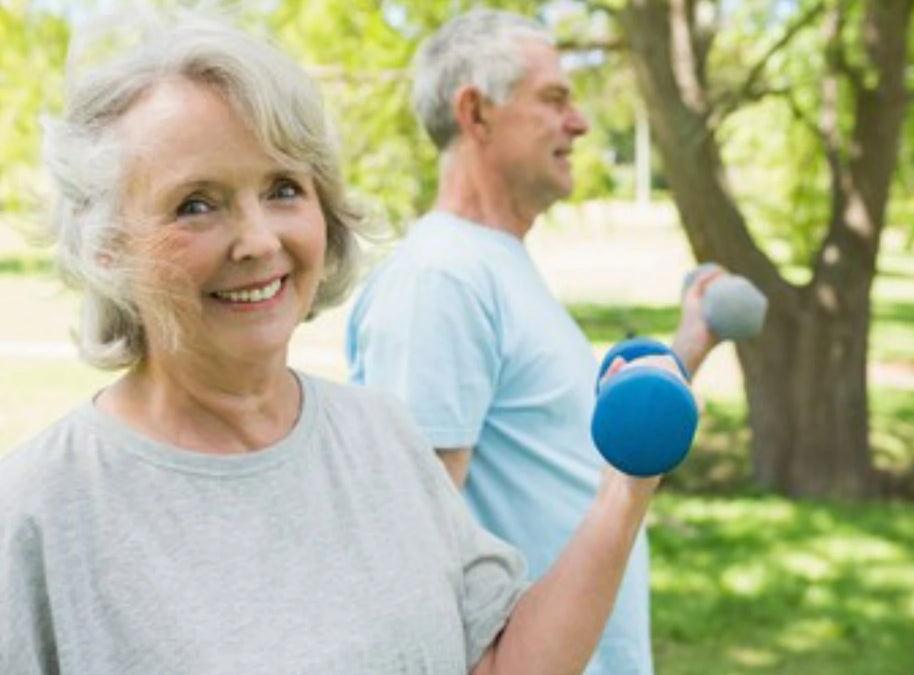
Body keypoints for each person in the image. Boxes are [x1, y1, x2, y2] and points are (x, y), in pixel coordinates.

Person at [0, 10, 685, 675]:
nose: (259, 241)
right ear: (110, 246)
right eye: (196, 204)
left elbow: (499, 665)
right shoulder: (36, 513)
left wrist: (624, 489)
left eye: (282, 189)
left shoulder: (382, 436)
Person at [346, 9, 723, 674]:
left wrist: (690, 340)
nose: (578, 123)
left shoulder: (492, 263)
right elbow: (413, 557)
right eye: (554, 99)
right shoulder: (442, 278)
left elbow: (571, 439)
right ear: (476, 112)